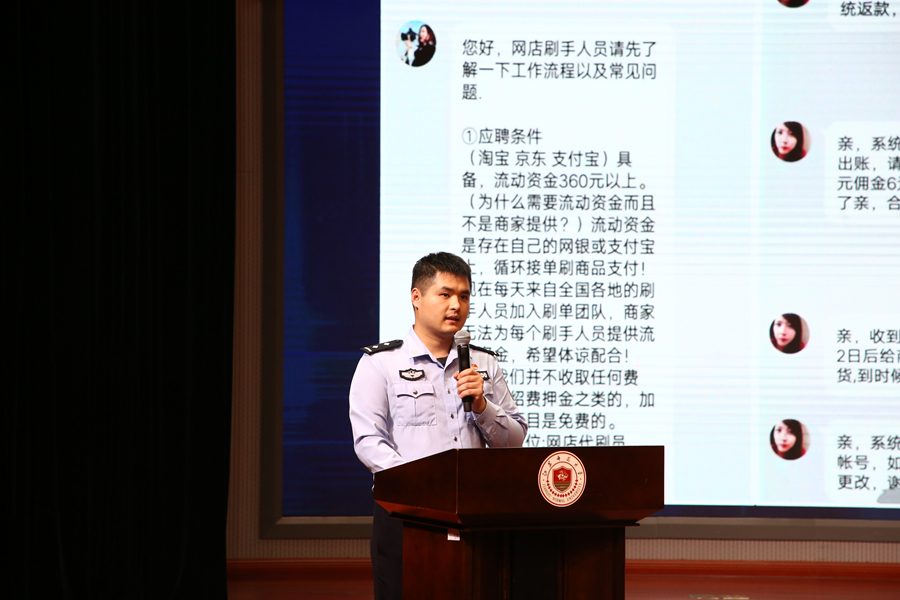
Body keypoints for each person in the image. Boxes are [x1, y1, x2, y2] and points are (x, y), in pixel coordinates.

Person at [349, 252, 526, 600]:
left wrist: (482, 405)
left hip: (476, 514)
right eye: (445, 294)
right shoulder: (381, 363)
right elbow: (369, 441)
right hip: (407, 514)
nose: (456, 305)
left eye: (464, 296)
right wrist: (423, 487)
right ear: (416, 297)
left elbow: (514, 440)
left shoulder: (483, 363)